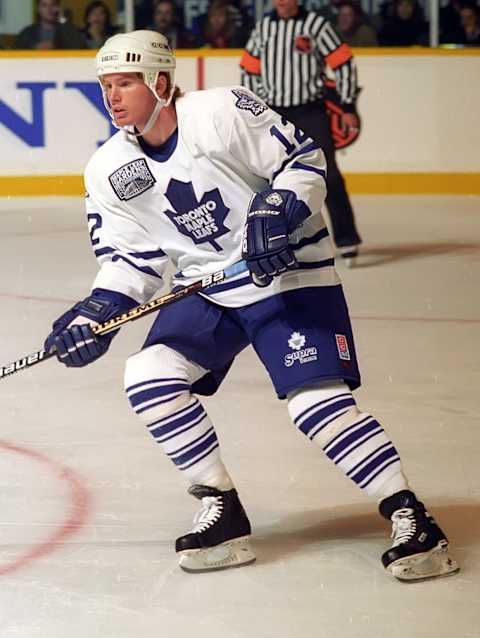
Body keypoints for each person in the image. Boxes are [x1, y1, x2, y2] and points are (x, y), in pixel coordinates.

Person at [43, 29, 458, 581]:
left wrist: (279, 209)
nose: (112, 96)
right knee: (147, 373)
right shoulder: (108, 170)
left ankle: (410, 515)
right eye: (106, 85)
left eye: (125, 83)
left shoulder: (219, 113)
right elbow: (132, 260)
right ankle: (224, 510)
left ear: (161, 82)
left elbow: (305, 161)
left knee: (315, 407)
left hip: (289, 279)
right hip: (211, 289)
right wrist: (95, 311)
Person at [240, 0, 362, 267]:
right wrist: (258, 108)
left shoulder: (315, 25)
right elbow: (249, 68)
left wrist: (347, 103)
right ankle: (283, 240)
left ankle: (347, 238)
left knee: (327, 172)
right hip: (275, 113)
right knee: (271, 176)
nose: (282, 2)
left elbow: (343, 62)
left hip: (310, 111)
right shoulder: (263, 28)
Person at [14, 0, 87, 50]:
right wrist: (35, 48)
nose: (49, 9)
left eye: (53, 5)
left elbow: (79, 47)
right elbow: (15, 52)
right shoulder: (27, 32)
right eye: (44, 5)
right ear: (38, 9)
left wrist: (62, 19)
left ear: (58, 7)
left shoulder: (66, 28)